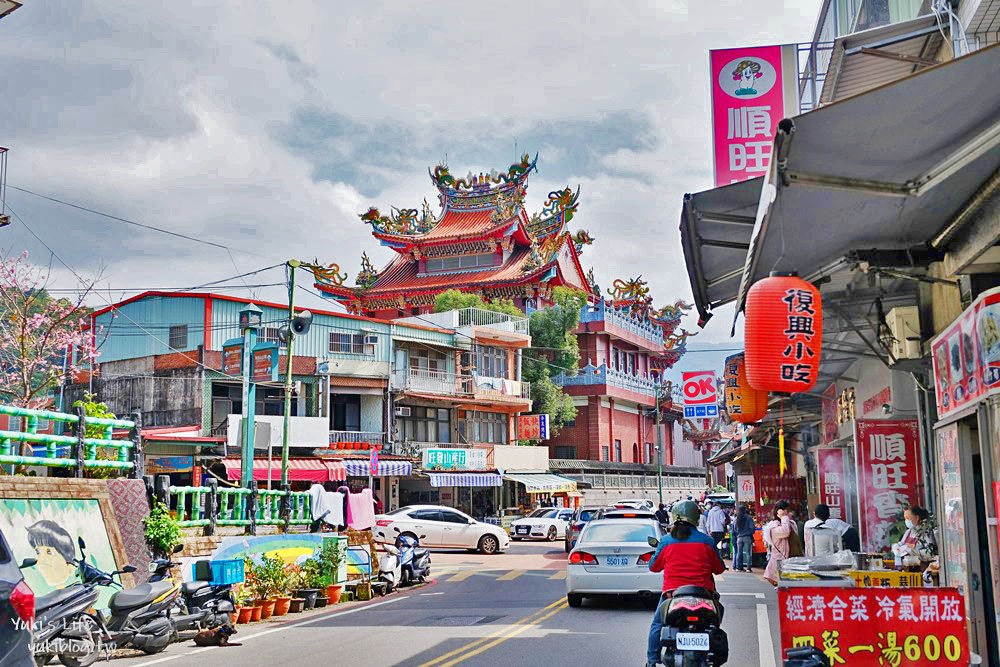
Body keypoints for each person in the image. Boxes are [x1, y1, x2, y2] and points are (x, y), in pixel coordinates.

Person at [646, 500, 725, 667]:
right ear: (696, 518)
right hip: (705, 595)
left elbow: (653, 567)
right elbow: (719, 569)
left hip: (672, 595)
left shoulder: (666, 541)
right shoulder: (707, 541)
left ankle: (652, 661)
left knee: (657, 625)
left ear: (674, 518)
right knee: (714, 623)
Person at [763, 501, 799, 586]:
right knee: (784, 588)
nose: (789, 513)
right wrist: (784, 517)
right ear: (781, 511)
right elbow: (785, 532)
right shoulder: (774, 527)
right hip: (780, 562)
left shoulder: (790, 523)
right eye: (787, 511)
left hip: (791, 560)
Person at [733, 505, 756, 572]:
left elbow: (734, 529)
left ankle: (738, 567)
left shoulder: (736, 518)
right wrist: (750, 532)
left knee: (739, 553)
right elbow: (752, 528)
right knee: (748, 553)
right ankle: (748, 568)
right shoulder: (749, 518)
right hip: (747, 537)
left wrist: (738, 534)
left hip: (739, 538)